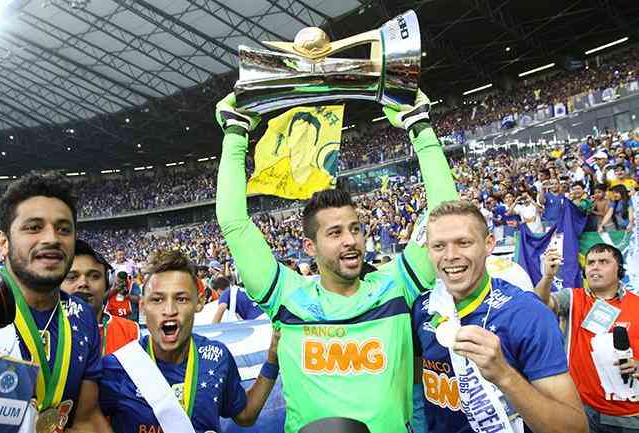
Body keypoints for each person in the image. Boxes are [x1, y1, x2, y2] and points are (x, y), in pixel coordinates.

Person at [215, 90, 457, 433]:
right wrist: (235, 134)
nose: (350, 241)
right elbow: (234, 223)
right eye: (335, 233)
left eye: (355, 229)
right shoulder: (285, 296)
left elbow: (446, 215)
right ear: (309, 247)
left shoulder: (394, 286)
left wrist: (419, 126)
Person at [413, 200, 588, 433]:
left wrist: (504, 375)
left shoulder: (528, 313)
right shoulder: (423, 308)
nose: (451, 255)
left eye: (463, 243)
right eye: (438, 246)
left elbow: (575, 429)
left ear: (488, 244)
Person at [99, 250, 279, 432]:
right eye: (157, 299)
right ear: (143, 306)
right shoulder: (117, 367)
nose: (169, 310)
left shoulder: (216, 357)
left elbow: (245, 416)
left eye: (181, 299)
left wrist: (272, 360)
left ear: (198, 302)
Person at [0, 172, 113, 432]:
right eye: (34, 227)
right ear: (3, 243)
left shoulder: (82, 316)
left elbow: (86, 417)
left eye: (63, 229)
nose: (52, 238)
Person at [535, 243, 639, 432]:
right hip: (582, 410)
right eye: (590, 263)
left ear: (620, 269)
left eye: (603, 262)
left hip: (629, 417)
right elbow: (539, 305)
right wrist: (548, 277)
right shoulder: (573, 298)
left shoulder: (637, 304)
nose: (595, 267)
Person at [61, 239, 139, 355]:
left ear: (106, 285)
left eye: (94, 276)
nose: (83, 283)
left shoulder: (131, 332)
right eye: (72, 277)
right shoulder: (42, 333)